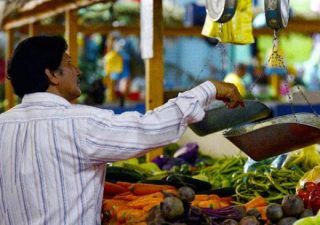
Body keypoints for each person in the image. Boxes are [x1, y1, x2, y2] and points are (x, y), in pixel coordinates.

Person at [0, 35, 243, 225]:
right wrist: (207, 89)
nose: (78, 71)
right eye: (69, 63)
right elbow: (148, 128)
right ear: (52, 74)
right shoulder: (79, 124)